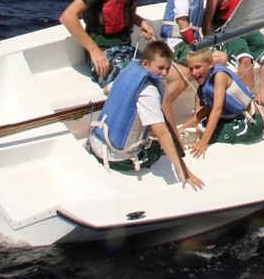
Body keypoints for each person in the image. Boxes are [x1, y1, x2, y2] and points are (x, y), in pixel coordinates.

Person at [86, 40, 203, 188]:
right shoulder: (149, 90)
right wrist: (184, 174)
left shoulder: (129, 70)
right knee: (159, 146)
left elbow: (106, 90)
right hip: (118, 159)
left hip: (96, 142)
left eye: (167, 68)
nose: (164, 73)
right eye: (160, 68)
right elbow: (161, 132)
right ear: (145, 64)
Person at [180, 47, 264, 158]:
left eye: (197, 67)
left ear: (210, 63)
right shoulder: (206, 83)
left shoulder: (220, 75)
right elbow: (206, 110)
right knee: (201, 126)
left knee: (205, 132)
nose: (194, 72)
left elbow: (217, 109)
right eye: (191, 69)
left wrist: (203, 143)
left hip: (251, 123)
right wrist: (182, 127)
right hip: (234, 118)